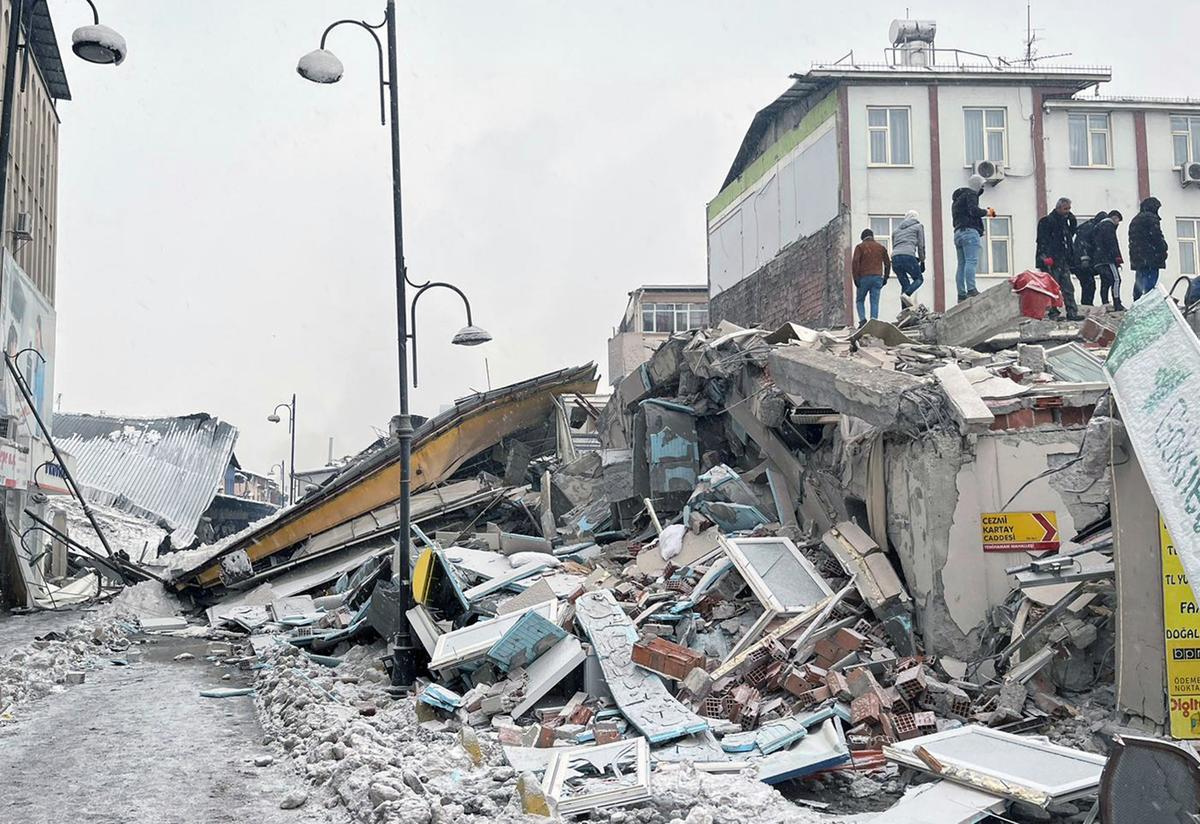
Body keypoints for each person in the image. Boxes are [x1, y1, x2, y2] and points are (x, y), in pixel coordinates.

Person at [1036, 197, 1082, 321]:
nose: (1067, 211)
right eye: (1065, 209)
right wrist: (1045, 257)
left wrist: (1072, 221)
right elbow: (1042, 241)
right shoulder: (1047, 221)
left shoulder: (1064, 223)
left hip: (1062, 260)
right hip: (1051, 261)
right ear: (1058, 208)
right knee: (1052, 288)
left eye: (1069, 209)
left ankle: (1072, 312)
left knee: (1068, 288)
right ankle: (1053, 313)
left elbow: (1069, 236)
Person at [951, 174, 994, 302]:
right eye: (982, 185)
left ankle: (961, 294)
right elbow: (973, 211)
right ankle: (971, 290)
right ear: (977, 185)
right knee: (971, 261)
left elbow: (963, 215)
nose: (982, 188)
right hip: (969, 232)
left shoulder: (957, 200)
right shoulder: (971, 194)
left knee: (961, 264)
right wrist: (987, 212)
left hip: (958, 233)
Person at [1129, 196, 1168, 300]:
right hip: (1151, 257)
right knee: (1150, 285)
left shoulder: (1135, 220)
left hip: (1138, 258)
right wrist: (1163, 249)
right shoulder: (1151, 218)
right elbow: (1156, 237)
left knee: (1139, 281)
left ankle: (1136, 303)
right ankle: (1147, 303)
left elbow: (1133, 241)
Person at [851, 228, 890, 326]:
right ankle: (873, 322)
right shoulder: (880, 247)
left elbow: (855, 262)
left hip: (864, 277)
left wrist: (855, 278)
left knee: (860, 300)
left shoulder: (860, 247)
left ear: (863, 238)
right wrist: (885, 277)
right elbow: (887, 263)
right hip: (877, 277)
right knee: (874, 302)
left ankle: (863, 320)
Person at [1071, 211, 1108, 307]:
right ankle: (1087, 305)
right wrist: (1085, 259)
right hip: (1081, 262)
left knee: (1088, 284)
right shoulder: (1090, 229)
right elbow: (1083, 245)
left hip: (1079, 261)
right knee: (1089, 284)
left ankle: (1087, 305)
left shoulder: (1088, 227)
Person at [1091, 210, 1125, 310]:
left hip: (1098, 260)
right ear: (1114, 218)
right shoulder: (1108, 226)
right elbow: (1112, 242)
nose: (1118, 223)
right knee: (1116, 279)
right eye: (1118, 221)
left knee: (1105, 281)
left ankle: (1105, 302)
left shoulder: (1097, 227)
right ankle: (1117, 302)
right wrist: (1117, 257)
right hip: (1108, 259)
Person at [891, 210, 925, 307]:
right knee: (919, 279)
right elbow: (921, 245)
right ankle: (907, 294)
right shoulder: (918, 226)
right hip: (908, 256)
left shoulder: (896, 231)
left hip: (895, 258)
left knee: (905, 285)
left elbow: (895, 246)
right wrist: (922, 261)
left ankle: (904, 311)